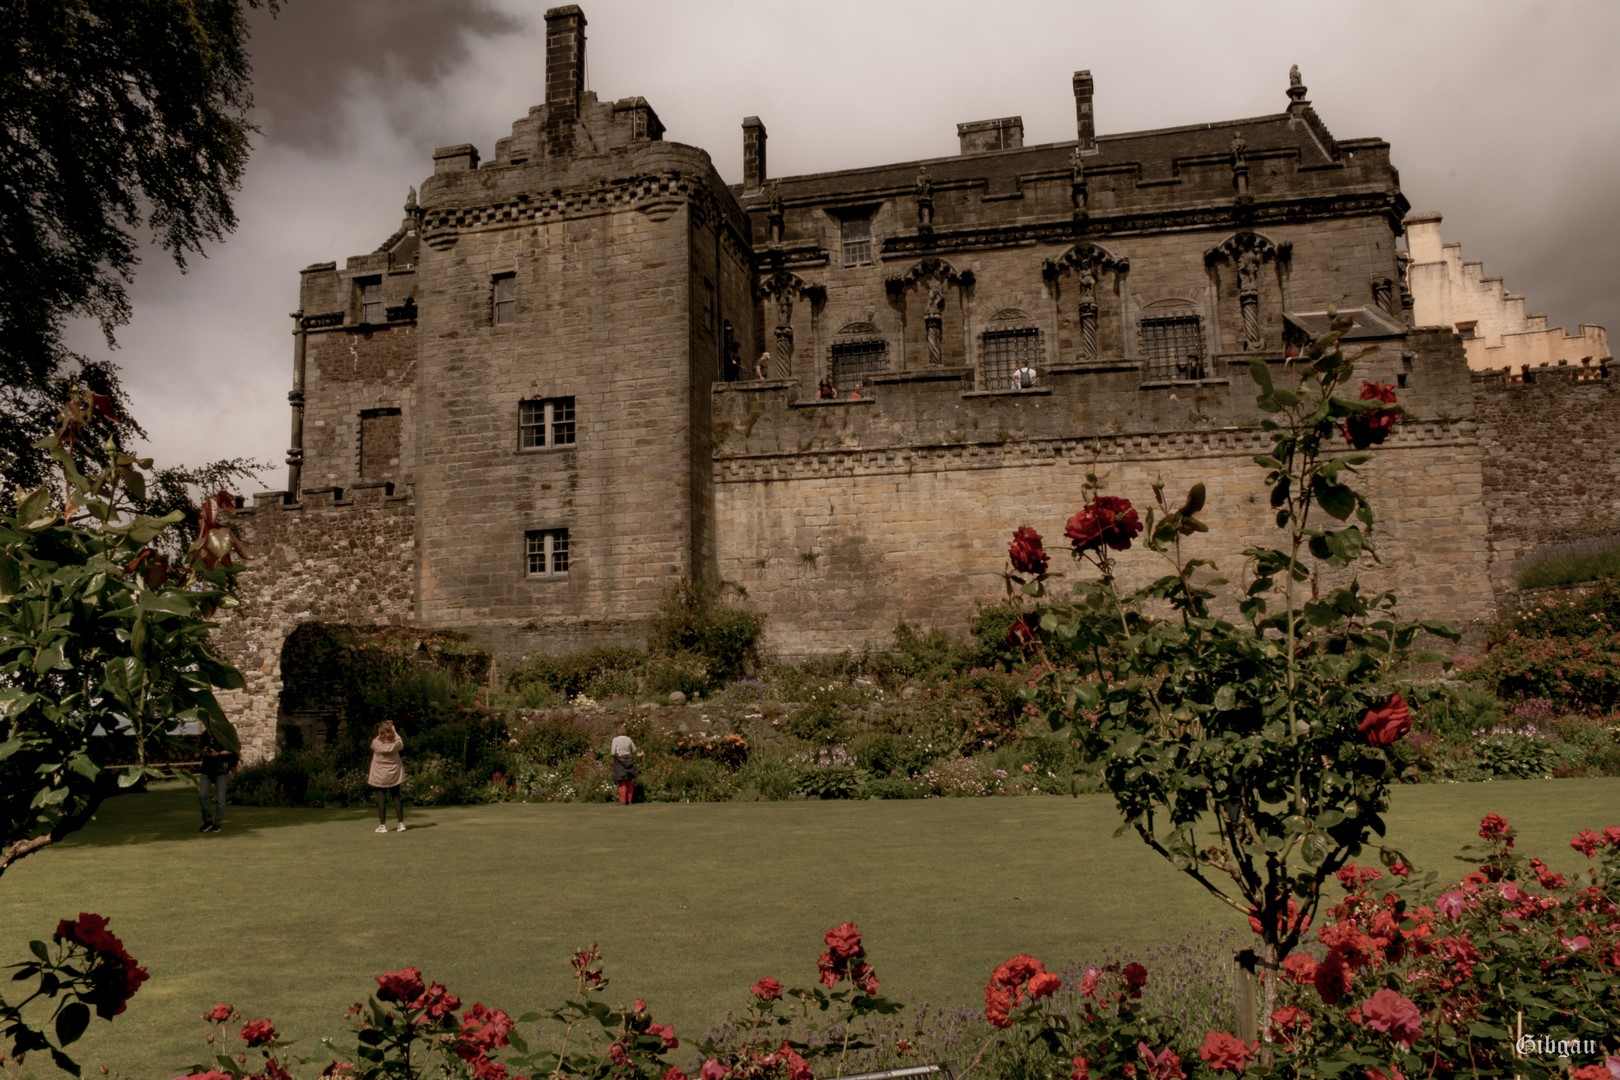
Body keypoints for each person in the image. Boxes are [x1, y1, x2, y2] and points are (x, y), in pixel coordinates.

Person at [196, 730, 237, 833]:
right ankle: (208, 821)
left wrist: (218, 753)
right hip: (206, 771)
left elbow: (233, 749)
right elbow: (197, 752)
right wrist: (201, 752)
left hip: (221, 771)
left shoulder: (222, 733)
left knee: (220, 799)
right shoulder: (204, 736)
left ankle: (217, 824)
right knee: (202, 795)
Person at [368, 721, 406, 832]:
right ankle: (401, 823)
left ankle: (382, 825)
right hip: (394, 774)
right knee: (396, 796)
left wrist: (384, 729)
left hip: (380, 774)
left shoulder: (376, 743)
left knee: (381, 798)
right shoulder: (396, 743)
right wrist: (392, 729)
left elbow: (378, 738)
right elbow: (399, 741)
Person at [611, 724, 638, 806]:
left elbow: (612, 752)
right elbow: (634, 749)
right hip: (629, 761)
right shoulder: (628, 739)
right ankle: (629, 800)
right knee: (629, 782)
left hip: (619, 761)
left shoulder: (615, 740)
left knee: (621, 782)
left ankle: (622, 801)